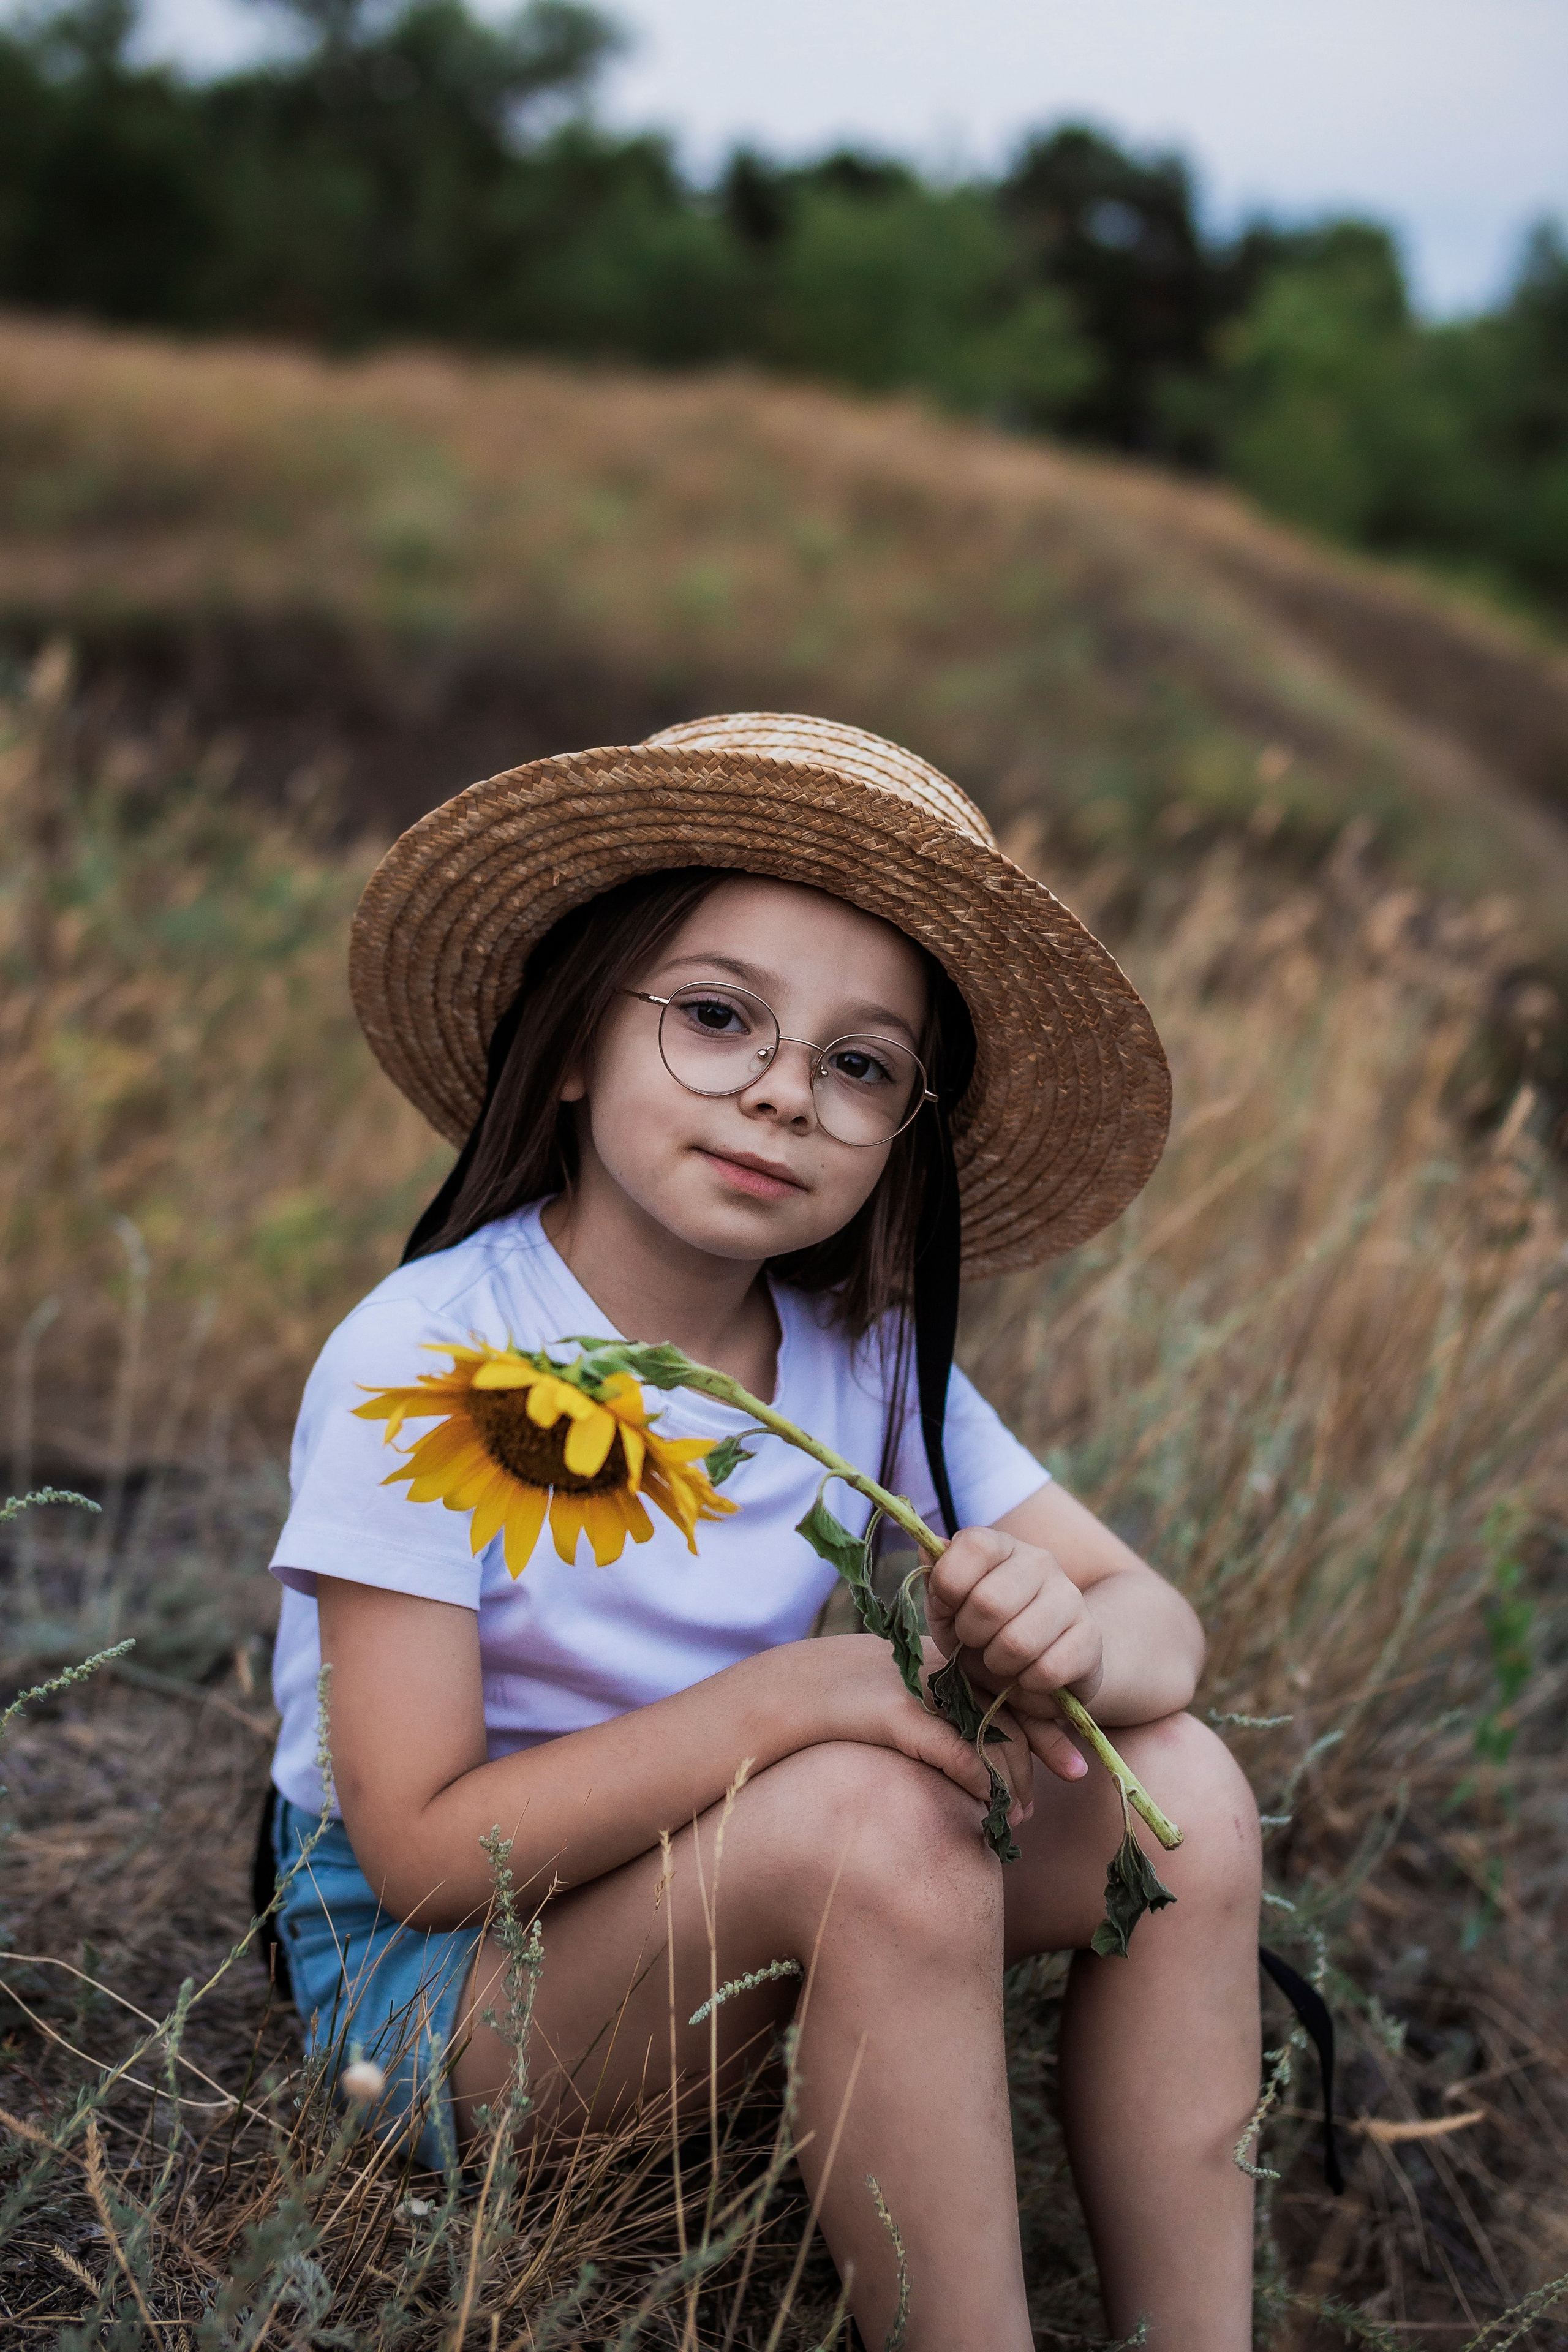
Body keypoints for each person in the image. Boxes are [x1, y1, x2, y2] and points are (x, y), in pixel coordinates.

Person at [263, 714, 1263, 2351]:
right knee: (870, 1819)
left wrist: (1076, 1637)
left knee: (1191, 1803)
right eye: (718, 1017)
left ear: (898, 1144)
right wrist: (800, 1704)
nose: (785, 1090)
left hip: (720, 1903)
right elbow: (428, 1858)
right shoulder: (433, 1363)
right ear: (574, 1042)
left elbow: (1161, 1626)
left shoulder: (862, 1363)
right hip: (451, 2004)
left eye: (861, 1063)